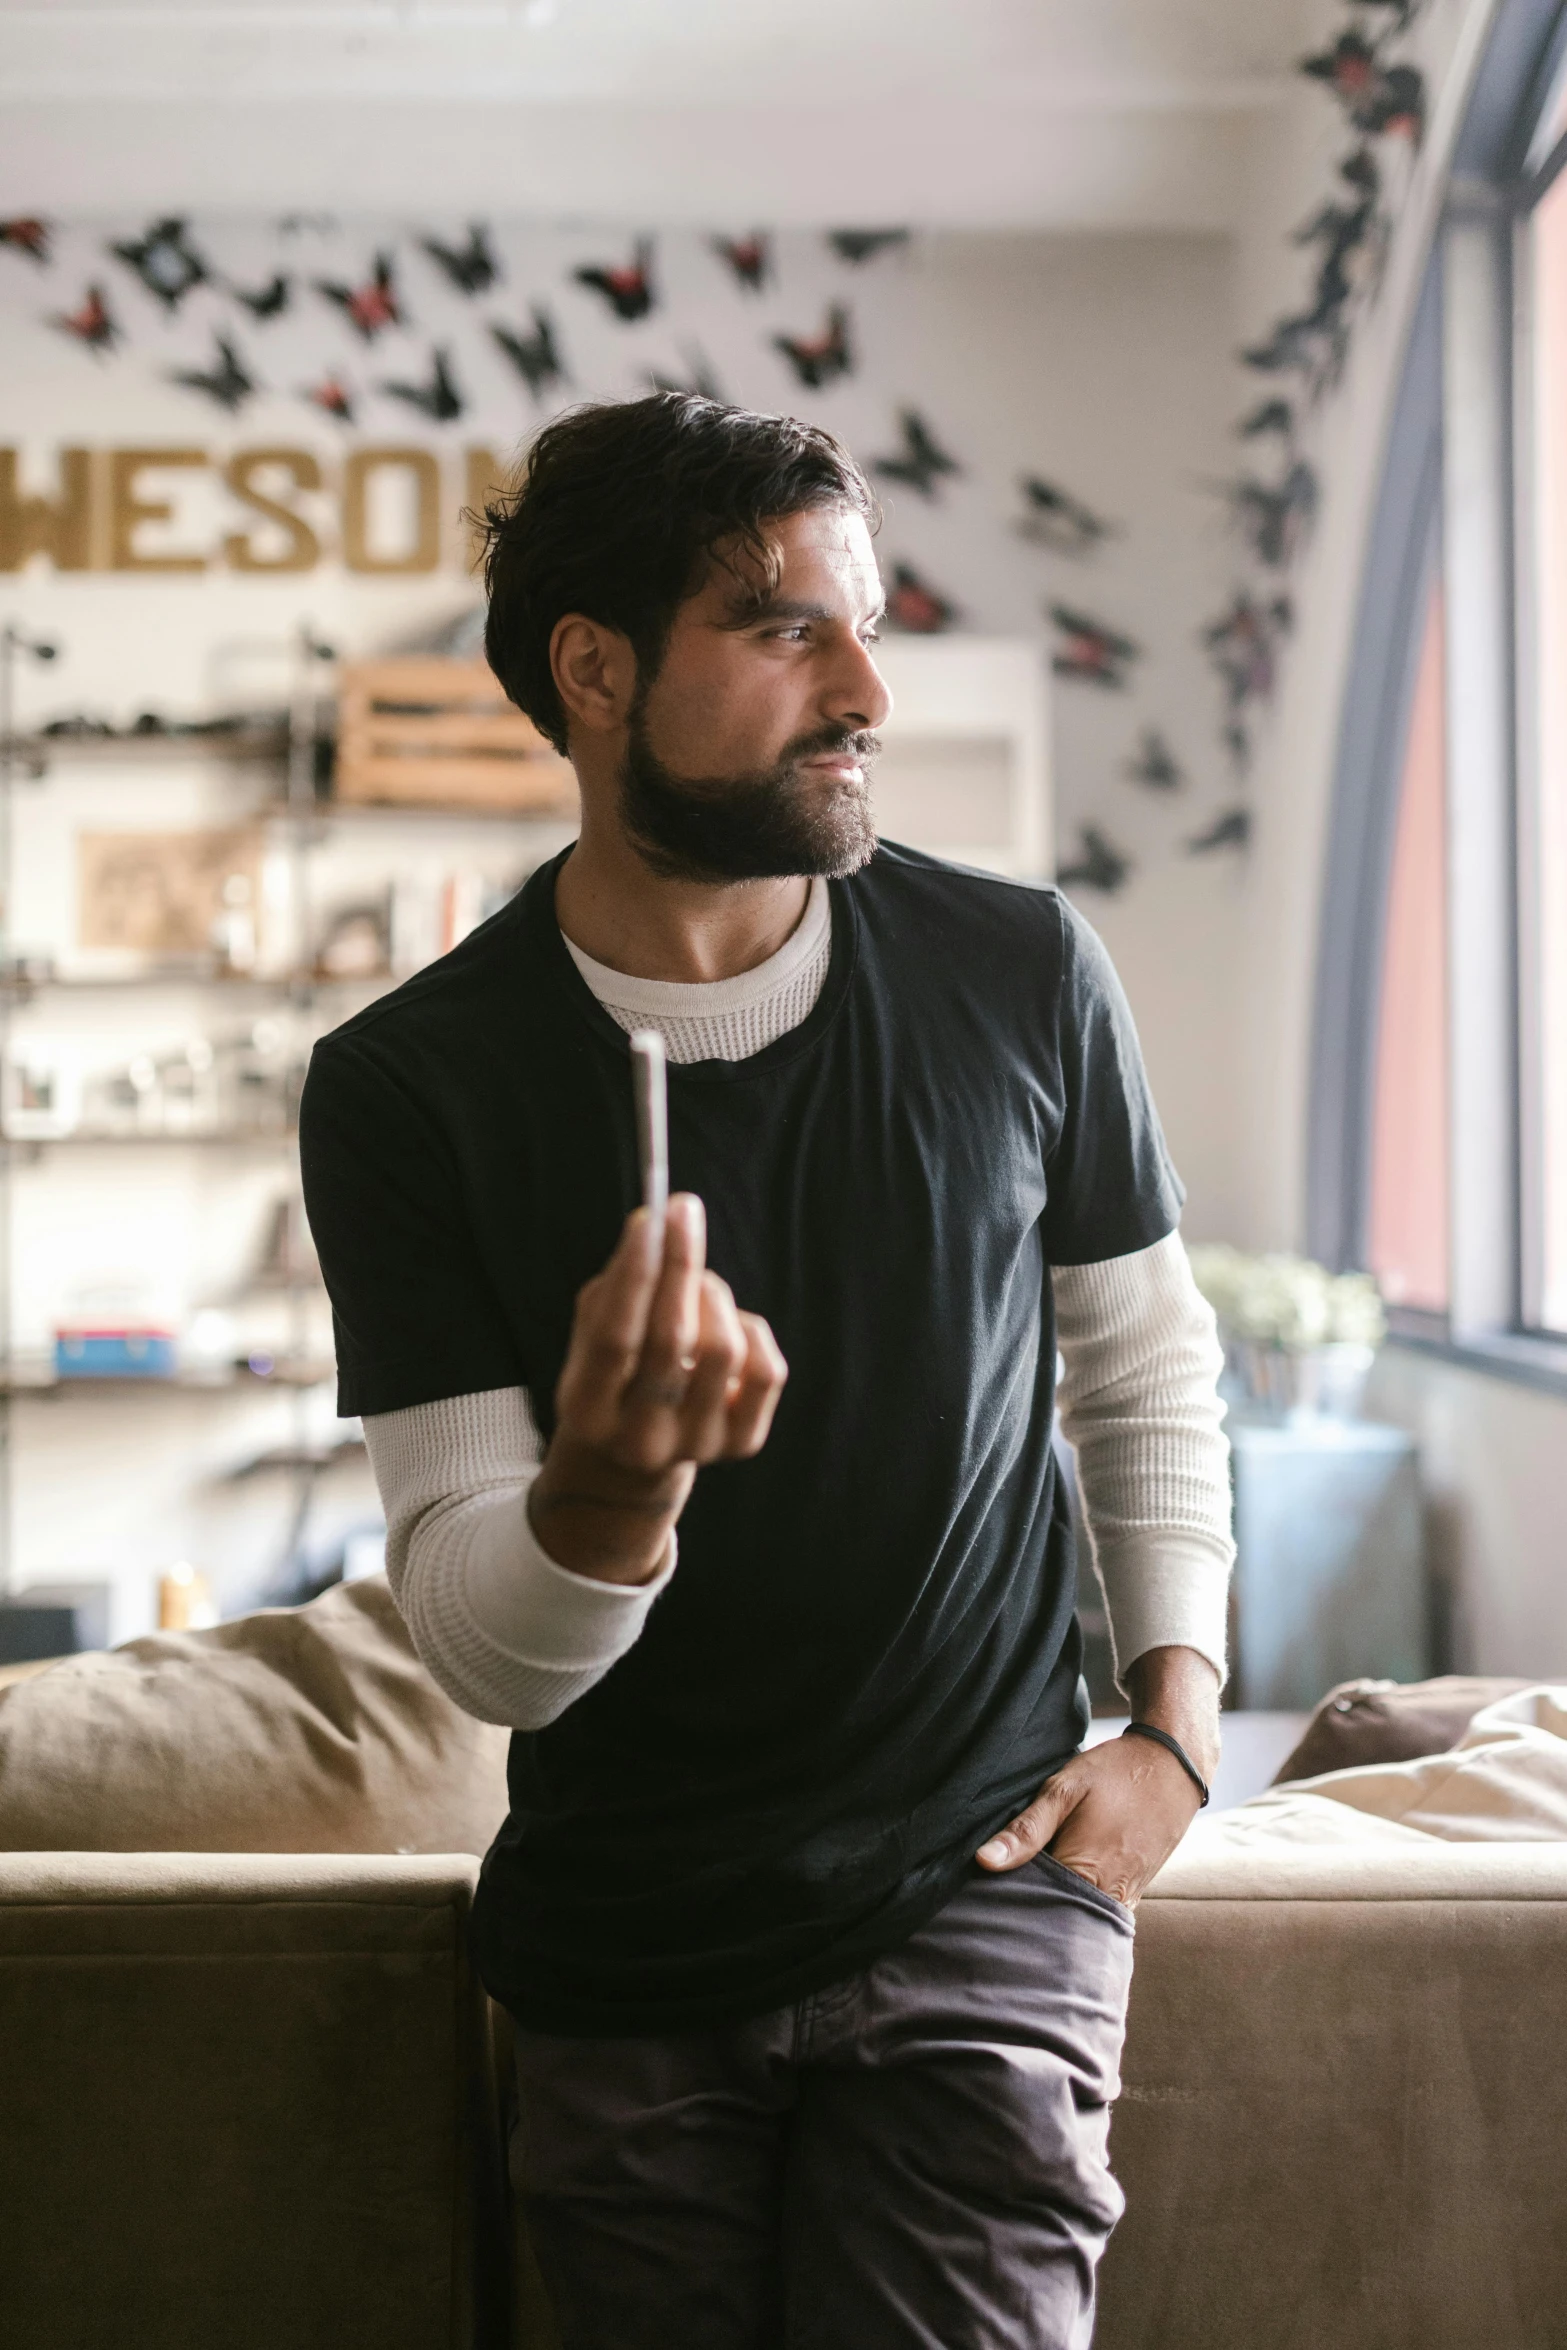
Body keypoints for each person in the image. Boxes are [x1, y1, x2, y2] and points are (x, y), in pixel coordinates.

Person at [299, 393, 1233, 2350]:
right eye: (788, 625)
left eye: (865, 619)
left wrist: (1179, 1728)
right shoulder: (406, 1085)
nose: (867, 683)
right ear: (597, 667)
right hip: (619, 1943)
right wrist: (607, 1500)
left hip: (980, 1893)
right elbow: (479, 1640)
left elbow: (1141, 1366)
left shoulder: (1022, 969)